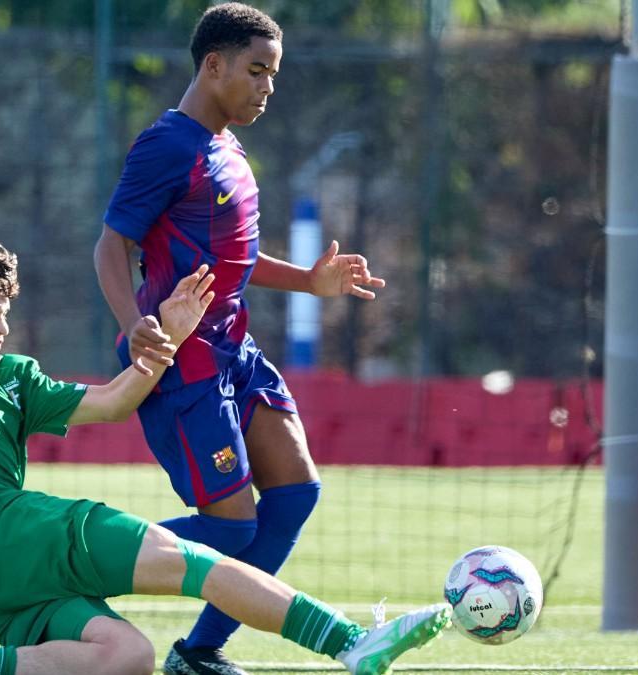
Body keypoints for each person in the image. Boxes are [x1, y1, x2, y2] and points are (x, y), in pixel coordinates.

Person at [0, 203, 449, 675]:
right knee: (201, 565)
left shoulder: (14, 377)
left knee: (126, 656)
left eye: (5, 314)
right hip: (6, 530)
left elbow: (115, 400)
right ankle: (350, 643)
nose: (1, 327)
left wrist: (170, 335)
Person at [93, 4, 385, 673]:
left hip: (235, 353)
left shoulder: (226, 147)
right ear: (213, 65)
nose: (267, 87)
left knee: (296, 493)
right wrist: (133, 324)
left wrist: (308, 282)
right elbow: (111, 244)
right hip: (183, 364)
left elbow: (234, 258)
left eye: (273, 74)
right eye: (256, 71)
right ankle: (71, 560)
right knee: (230, 527)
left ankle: (199, 652)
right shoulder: (167, 145)